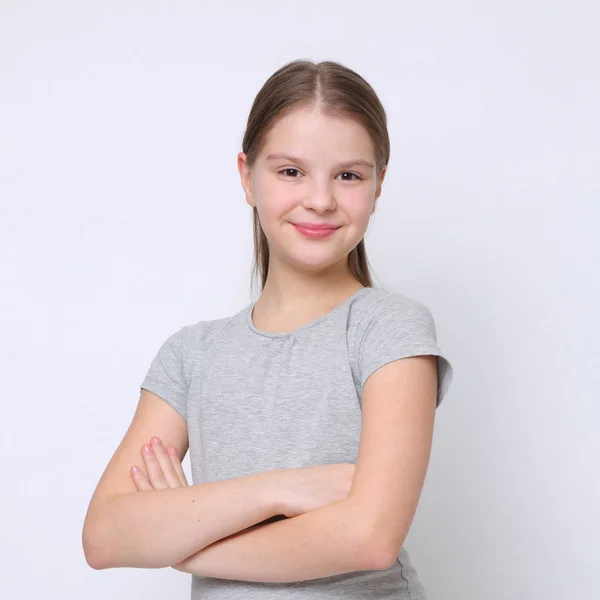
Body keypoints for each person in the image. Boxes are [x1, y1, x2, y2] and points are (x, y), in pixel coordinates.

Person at [82, 58, 454, 599]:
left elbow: (368, 539)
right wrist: (283, 490)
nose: (321, 199)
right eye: (290, 171)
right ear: (246, 176)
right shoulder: (192, 355)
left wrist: (181, 543)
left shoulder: (388, 330)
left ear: (378, 186)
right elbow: (104, 537)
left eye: (348, 175)